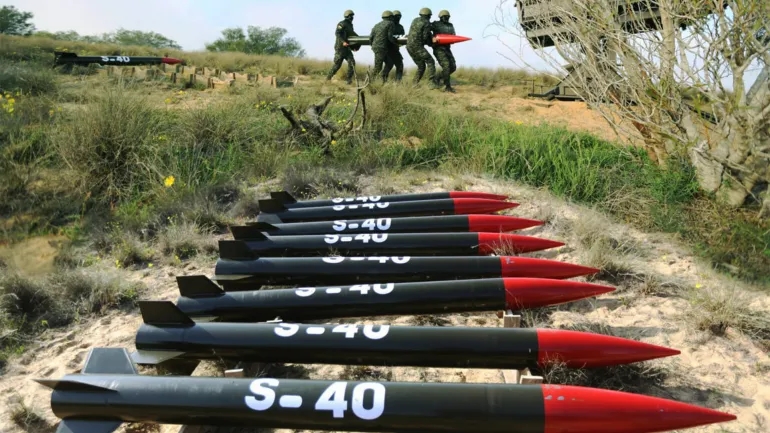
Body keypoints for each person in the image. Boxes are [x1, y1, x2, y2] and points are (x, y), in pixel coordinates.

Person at [406, 7, 438, 87]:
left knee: (421, 66)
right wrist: (432, 42)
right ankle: (431, 83)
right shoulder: (426, 23)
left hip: (409, 46)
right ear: (428, 15)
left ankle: (414, 84)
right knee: (430, 61)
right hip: (418, 47)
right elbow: (424, 37)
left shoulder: (415, 20)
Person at [326, 10, 358, 85]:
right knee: (337, 65)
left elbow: (350, 37)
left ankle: (349, 80)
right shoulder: (341, 23)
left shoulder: (350, 25)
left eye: (352, 16)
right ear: (347, 16)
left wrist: (353, 47)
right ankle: (328, 79)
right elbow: (337, 33)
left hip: (347, 48)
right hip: (340, 48)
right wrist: (343, 42)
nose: (352, 17)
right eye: (351, 16)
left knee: (352, 63)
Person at [431, 10, 457, 92]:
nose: (446, 18)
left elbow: (453, 36)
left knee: (453, 67)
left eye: (448, 17)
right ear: (440, 17)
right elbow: (426, 30)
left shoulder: (450, 25)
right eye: (444, 17)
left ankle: (437, 78)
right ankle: (447, 86)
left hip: (447, 48)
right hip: (438, 48)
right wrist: (432, 37)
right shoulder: (435, 24)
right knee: (446, 66)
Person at [369, 10, 398, 83]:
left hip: (377, 47)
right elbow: (390, 37)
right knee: (378, 67)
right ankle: (370, 82)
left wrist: (373, 45)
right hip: (381, 48)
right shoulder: (390, 23)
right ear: (390, 17)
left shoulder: (377, 25)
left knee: (389, 63)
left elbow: (371, 37)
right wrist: (395, 44)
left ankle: (383, 79)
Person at [383, 10, 405, 82]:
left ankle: (398, 82)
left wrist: (398, 44)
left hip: (395, 49)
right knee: (389, 64)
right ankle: (383, 81)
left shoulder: (400, 27)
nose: (398, 18)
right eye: (396, 16)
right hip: (387, 49)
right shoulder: (388, 25)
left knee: (400, 65)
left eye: (399, 16)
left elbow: (402, 38)